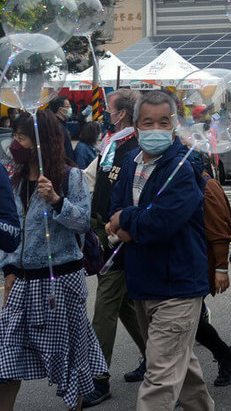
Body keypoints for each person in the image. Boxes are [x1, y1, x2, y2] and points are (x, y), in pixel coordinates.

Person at [107, 90, 215, 411]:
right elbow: (115, 205)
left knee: (159, 377)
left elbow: (162, 221)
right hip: (143, 282)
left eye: (163, 122)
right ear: (136, 127)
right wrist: (123, 219)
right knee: (183, 369)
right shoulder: (130, 161)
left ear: (174, 125)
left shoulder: (182, 167)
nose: (155, 129)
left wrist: (126, 221)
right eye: (148, 122)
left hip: (178, 285)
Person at [0, 111, 106, 410]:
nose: (15, 143)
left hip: (61, 281)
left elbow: (84, 222)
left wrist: (57, 200)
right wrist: (8, 268)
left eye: (20, 136)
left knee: (71, 361)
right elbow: (10, 229)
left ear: (38, 142)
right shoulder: (15, 180)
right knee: (6, 360)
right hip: (21, 282)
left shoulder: (70, 176)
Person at [83, 88, 148, 408]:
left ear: (121, 114)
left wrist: (113, 230)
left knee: (105, 307)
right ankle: (155, 357)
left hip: (118, 237)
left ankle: (98, 377)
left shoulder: (133, 147)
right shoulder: (112, 143)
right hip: (102, 231)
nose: (107, 114)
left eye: (110, 110)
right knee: (124, 306)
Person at [191, 157, 231, 387]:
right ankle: (226, 356)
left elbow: (220, 231)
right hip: (180, 263)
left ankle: (174, 387)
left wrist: (221, 268)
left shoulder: (206, 185)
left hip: (197, 265)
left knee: (186, 325)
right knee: (192, 325)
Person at [47, 94, 76, 159]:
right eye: (68, 106)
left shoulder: (60, 124)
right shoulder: (57, 127)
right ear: (60, 109)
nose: (70, 109)